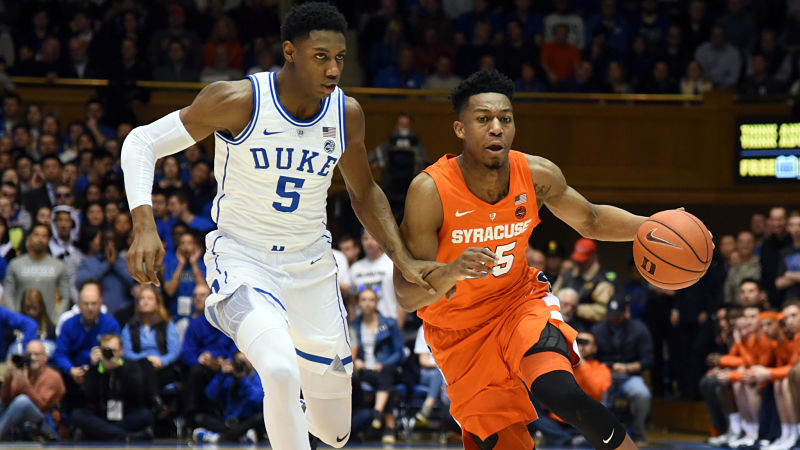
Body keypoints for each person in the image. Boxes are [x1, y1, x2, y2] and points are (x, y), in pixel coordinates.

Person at [120, 3, 435, 448]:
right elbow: (141, 141)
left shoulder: (347, 114)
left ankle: (289, 414)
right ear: (290, 51)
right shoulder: (239, 101)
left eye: (340, 57)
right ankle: (281, 404)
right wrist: (143, 222)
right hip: (243, 260)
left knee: (336, 432)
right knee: (280, 371)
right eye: (321, 56)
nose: (333, 68)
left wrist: (402, 257)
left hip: (312, 268)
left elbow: (365, 193)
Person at [394, 70, 647, 449]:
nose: (496, 128)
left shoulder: (537, 174)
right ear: (460, 129)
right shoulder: (430, 191)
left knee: (560, 392)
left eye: (505, 119)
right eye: (483, 120)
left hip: (518, 305)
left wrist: (654, 227)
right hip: (458, 333)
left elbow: (591, 220)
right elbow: (406, 295)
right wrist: (452, 271)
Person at [70, 333, 156, 441]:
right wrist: (94, 368)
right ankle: (123, 436)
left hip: (125, 416)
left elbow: (137, 394)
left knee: (145, 415)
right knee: (77, 415)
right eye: (106, 351)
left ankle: (103, 434)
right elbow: (90, 397)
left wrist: (118, 369)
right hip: (100, 417)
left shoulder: (131, 367)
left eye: (113, 351)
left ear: (121, 351)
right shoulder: (95, 370)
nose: (110, 354)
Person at [592, 298, 654, 444]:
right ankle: (599, 432)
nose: (614, 319)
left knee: (642, 394)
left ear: (626, 312)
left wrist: (626, 367)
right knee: (594, 388)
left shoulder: (639, 329)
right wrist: (608, 367)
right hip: (605, 372)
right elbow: (593, 358)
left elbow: (648, 360)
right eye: (611, 315)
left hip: (630, 374)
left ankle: (638, 432)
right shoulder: (597, 329)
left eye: (617, 315)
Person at [350, 287, 404, 443]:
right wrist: (357, 362)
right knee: (388, 387)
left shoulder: (390, 324)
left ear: (377, 302)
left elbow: (399, 352)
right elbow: (349, 350)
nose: (368, 304)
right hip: (365, 370)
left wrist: (383, 363)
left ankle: (377, 413)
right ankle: (387, 426)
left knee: (386, 374)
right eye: (364, 300)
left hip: (386, 368)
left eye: (371, 300)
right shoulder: (354, 326)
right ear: (359, 303)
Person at [192, 352, 265, 444]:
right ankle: (240, 436)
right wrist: (221, 375)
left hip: (246, 420)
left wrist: (243, 379)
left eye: (245, 362)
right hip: (227, 421)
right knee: (200, 418)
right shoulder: (227, 377)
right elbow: (210, 394)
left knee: (259, 418)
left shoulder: (257, 378)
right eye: (239, 362)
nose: (242, 365)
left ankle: (218, 437)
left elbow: (257, 398)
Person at [0, 339, 64, 441]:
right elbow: (5, 400)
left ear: (45, 357)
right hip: (22, 422)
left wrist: (25, 385)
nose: (33, 358)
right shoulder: (23, 373)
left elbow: (42, 406)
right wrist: (8, 378)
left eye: (37, 355)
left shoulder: (52, 376)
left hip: (46, 423)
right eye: (29, 355)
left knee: (22, 401)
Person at [3, 224, 71, 320]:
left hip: (50, 322)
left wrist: (58, 318)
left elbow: (66, 296)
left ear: (48, 240)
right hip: (21, 323)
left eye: (44, 236)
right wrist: (15, 318)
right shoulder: (15, 264)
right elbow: (8, 294)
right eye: (36, 235)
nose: (40, 239)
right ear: (29, 238)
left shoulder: (59, 266)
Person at [120, 285, 181, 388]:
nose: (145, 301)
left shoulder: (167, 324)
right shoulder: (130, 326)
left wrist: (161, 361)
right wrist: (145, 360)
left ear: (157, 304)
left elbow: (174, 351)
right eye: (142, 298)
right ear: (137, 304)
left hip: (162, 367)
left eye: (150, 298)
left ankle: (151, 401)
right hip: (138, 366)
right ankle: (155, 400)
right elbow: (126, 352)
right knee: (138, 372)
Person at [553, 237, 617, 324]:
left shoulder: (602, 281)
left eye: (583, 260)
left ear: (593, 257)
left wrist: (575, 308)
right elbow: (552, 295)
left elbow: (603, 311)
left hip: (586, 328)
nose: (579, 263)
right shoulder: (567, 275)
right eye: (577, 260)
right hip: (559, 321)